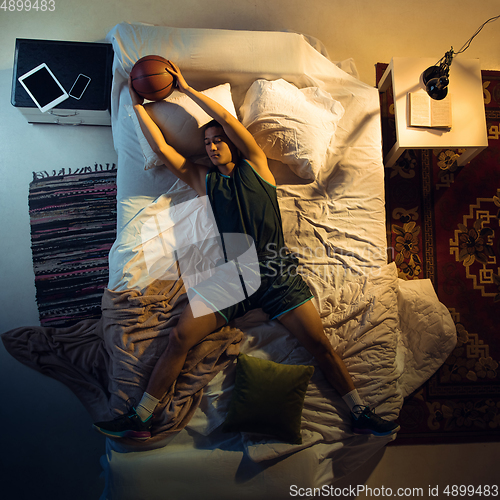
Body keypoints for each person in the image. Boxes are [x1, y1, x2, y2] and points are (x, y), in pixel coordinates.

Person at [93, 62, 399, 440]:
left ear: (234, 144)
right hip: (230, 279)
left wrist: (186, 89)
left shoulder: (256, 165)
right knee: (178, 339)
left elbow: (222, 116)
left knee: (319, 344)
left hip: (276, 275)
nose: (212, 145)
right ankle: (140, 418)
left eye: (219, 140)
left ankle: (360, 412)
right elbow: (162, 147)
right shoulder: (203, 180)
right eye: (207, 143)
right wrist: (139, 104)